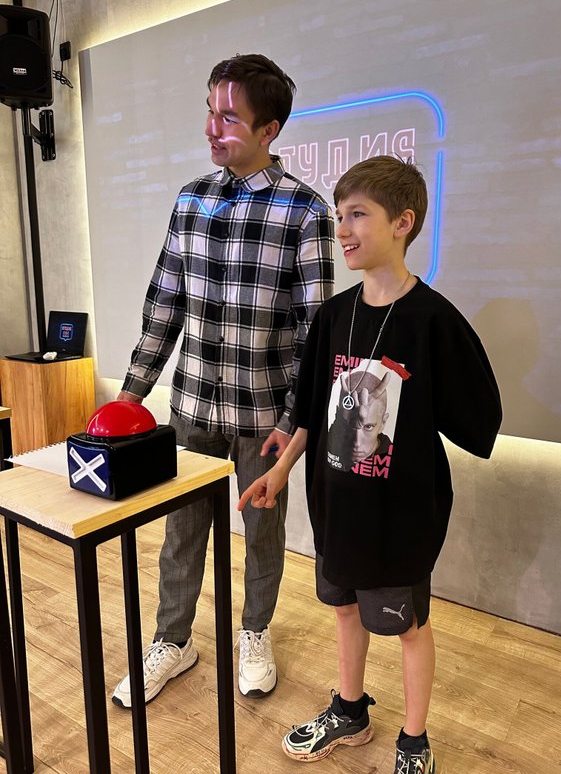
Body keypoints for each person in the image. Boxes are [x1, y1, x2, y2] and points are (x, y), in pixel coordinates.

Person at [238, 156, 502, 773]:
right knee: (344, 608)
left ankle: (414, 739)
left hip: (399, 517)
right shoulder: (334, 316)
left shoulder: (433, 320)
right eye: (340, 215)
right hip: (337, 506)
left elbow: (477, 416)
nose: (343, 230)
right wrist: (280, 470)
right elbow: (312, 411)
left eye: (358, 215)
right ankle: (350, 711)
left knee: (407, 626)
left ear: (402, 222)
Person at [111, 54, 335, 707]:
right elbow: (164, 304)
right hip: (192, 407)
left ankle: (254, 634)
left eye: (230, 117)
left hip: (266, 417)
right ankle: (172, 641)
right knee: (181, 531)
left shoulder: (305, 212)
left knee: (263, 533)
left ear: (269, 130)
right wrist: (130, 396)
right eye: (211, 112)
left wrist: (294, 422)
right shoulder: (190, 200)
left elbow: (314, 334)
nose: (213, 127)